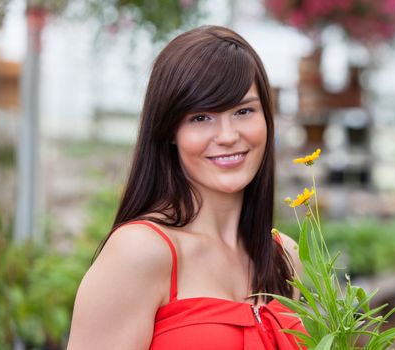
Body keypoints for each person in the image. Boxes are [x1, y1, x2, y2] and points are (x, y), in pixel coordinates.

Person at [67, 25, 305, 350]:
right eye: (201, 117)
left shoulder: (284, 255)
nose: (227, 135)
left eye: (244, 111)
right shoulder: (140, 252)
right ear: (169, 131)